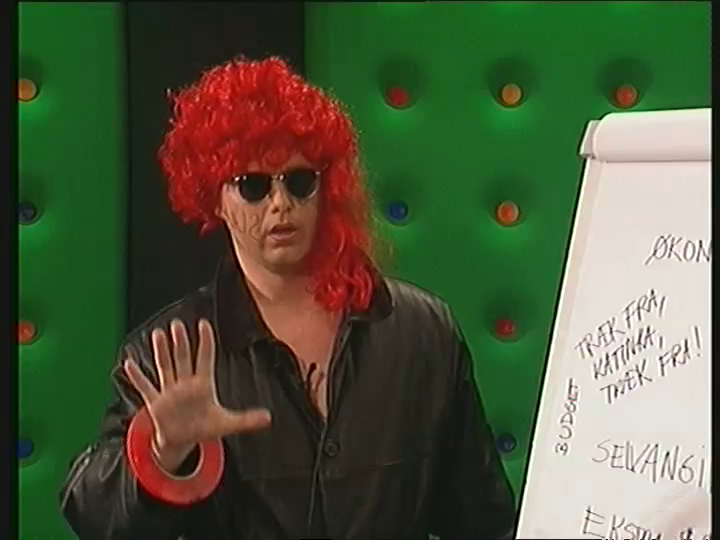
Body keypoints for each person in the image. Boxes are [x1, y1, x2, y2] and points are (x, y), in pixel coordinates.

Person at [59, 56, 516, 540]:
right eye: (252, 186)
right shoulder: (168, 353)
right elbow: (95, 517)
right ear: (215, 198)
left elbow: (485, 519)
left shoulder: (422, 332)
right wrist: (163, 454)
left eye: (299, 181)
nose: (280, 204)